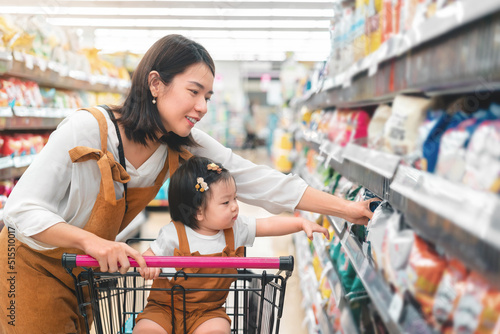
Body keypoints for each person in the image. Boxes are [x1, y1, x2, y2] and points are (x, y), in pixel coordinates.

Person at [0, 34, 373, 333]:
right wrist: (92, 241)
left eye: (207, 96)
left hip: (83, 271)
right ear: (156, 84)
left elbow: (261, 181)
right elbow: (19, 210)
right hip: (31, 262)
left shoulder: (178, 143)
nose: (203, 106)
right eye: (194, 92)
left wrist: (349, 210)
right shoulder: (86, 128)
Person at [133, 156, 329, 334]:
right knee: (146, 330)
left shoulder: (236, 228)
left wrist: (300, 223)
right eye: (225, 202)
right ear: (198, 212)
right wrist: (150, 265)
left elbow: (267, 224)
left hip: (208, 311)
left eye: (234, 198)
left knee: (218, 330)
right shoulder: (174, 233)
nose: (235, 206)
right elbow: (150, 254)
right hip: (163, 308)